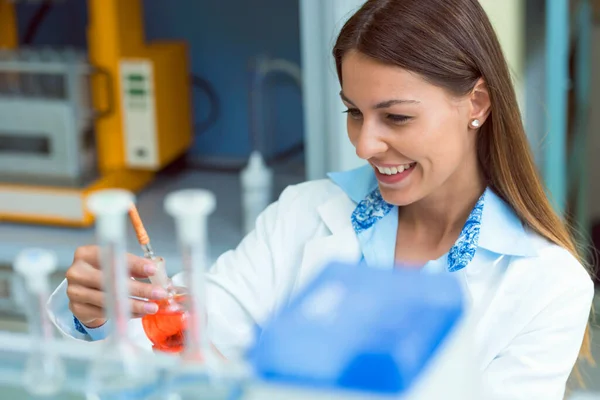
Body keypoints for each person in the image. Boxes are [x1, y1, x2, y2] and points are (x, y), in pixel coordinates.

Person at [47, 0, 594, 398]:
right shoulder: (306, 213)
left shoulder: (548, 286)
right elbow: (193, 344)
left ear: (476, 101)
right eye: (354, 112)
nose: (365, 143)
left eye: (396, 117)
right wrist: (107, 312)